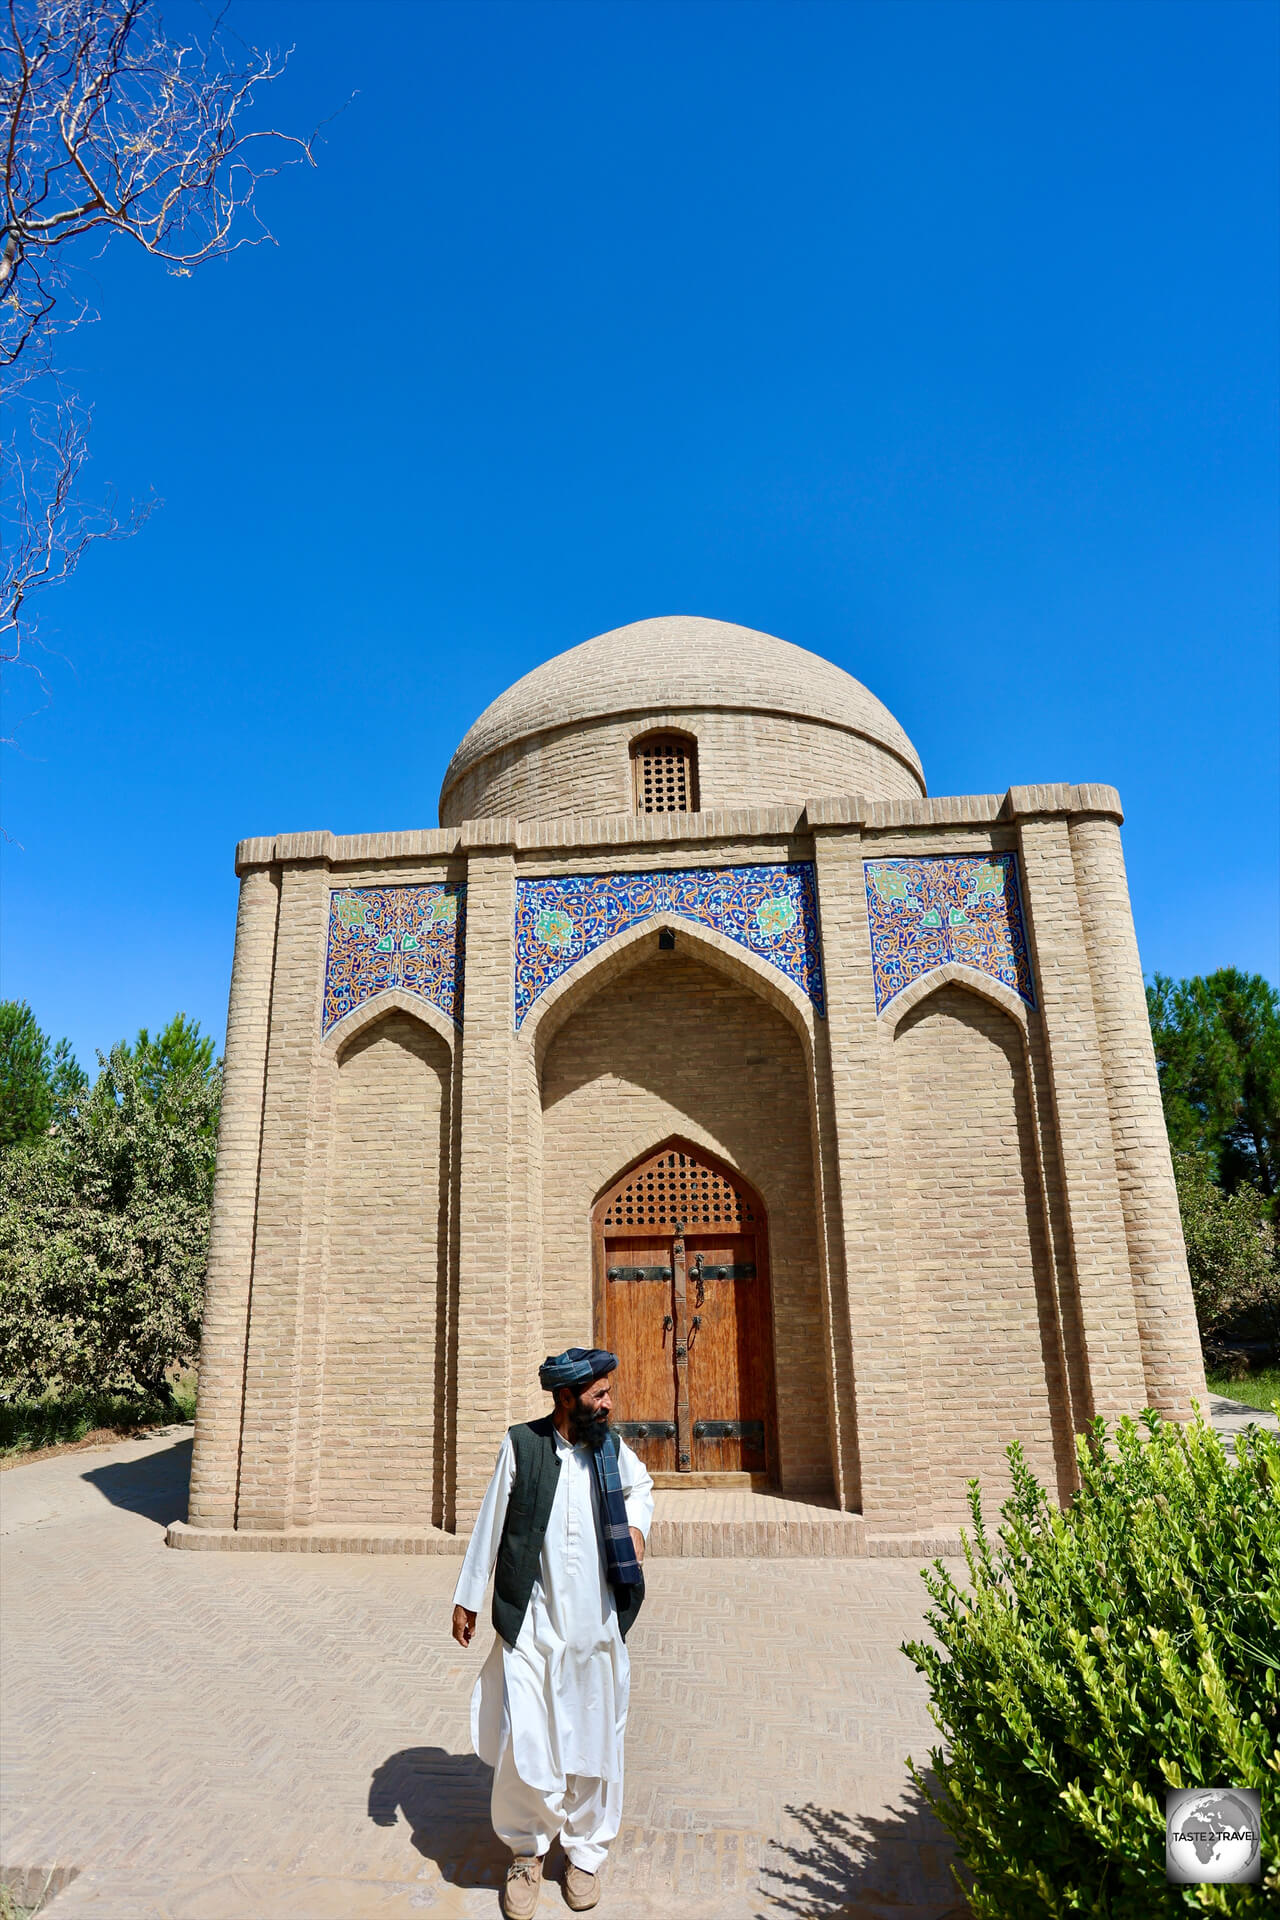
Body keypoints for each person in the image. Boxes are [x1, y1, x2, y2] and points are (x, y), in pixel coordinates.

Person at [451, 1348, 655, 1917]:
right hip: (534, 1621)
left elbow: (643, 1487)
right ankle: (526, 1852)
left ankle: (586, 1854)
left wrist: (636, 1530)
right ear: (566, 1398)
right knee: (526, 1739)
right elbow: (490, 1521)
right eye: (599, 1395)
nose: (609, 1403)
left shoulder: (611, 1450)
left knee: (595, 1737)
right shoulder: (522, 1446)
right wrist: (468, 1597)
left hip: (596, 1625)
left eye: (608, 1391)